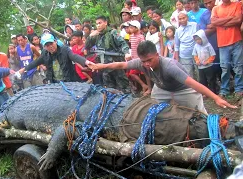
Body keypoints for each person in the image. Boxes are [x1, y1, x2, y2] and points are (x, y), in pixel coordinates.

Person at [88, 40, 236, 113]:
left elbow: (193, 83)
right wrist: (101, 66)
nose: (146, 64)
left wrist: (216, 98)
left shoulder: (169, 66)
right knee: (154, 111)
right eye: (143, 61)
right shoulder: (141, 62)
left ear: (157, 55)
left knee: (201, 115)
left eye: (149, 60)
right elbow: (121, 65)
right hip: (161, 89)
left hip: (183, 89)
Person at [18, 33, 93, 83]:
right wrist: (24, 69)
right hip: (55, 83)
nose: (50, 46)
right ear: (44, 47)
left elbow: (74, 56)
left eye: (51, 43)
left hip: (69, 81)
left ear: (55, 41)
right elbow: (36, 62)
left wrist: (86, 62)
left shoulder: (64, 49)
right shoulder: (45, 53)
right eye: (47, 45)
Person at [85, 15, 131, 93]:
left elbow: (122, 43)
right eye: (97, 24)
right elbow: (87, 47)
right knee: (109, 89)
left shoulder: (112, 32)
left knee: (124, 87)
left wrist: (126, 53)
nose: (98, 25)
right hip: (104, 67)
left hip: (116, 65)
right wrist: (90, 36)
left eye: (100, 23)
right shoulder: (96, 35)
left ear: (105, 23)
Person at [211, 0, 243, 98]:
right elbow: (213, 22)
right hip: (222, 43)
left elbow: (238, 20)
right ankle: (224, 90)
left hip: (236, 40)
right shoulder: (216, 8)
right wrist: (230, 18)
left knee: (238, 67)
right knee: (225, 68)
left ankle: (239, 89)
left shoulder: (237, 5)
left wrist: (220, 22)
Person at [175, 11, 198, 78]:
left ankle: (202, 87)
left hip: (196, 53)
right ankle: (192, 88)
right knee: (188, 74)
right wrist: (177, 59)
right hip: (184, 55)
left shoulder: (194, 25)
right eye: (180, 19)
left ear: (187, 17)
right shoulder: (178, 31)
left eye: (183, 18)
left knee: (199, 72)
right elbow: (177, 45)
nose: (182, 20)